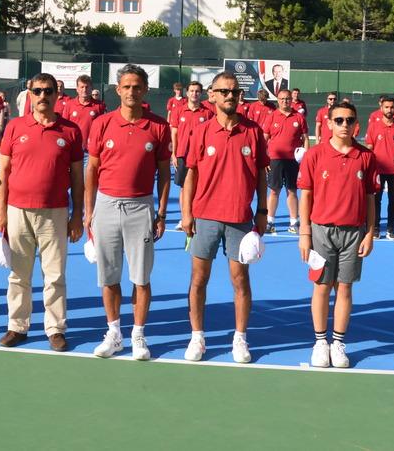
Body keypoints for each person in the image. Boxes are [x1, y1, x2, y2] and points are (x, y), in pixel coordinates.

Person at [180, 71, 269, 364]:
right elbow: (190, 175)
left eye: (234, 91)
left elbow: (261, 175)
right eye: (224, 91)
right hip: (204, 217)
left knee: (240, 279)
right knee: (198, 279)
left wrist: (262, 211)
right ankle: (197, 336)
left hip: (240, 218)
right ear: (212, 95)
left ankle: (240, 338)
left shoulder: (253, 131)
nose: (230, 96)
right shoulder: (201, 131)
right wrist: (186, 213)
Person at [85, 64, 171, 360]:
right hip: (106, 206)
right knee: (108, 276)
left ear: (145, 89)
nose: (132, 91)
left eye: (137, 86)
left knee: (141, 278)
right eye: (127, 86)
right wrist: (89, 212)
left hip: (141, 207)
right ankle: (114, 333)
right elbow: (92, 170)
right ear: (118, 90)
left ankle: (138, 335)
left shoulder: (159, 126)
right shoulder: (102, 123)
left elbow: (164, 173)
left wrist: (161, 213)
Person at [0, 73, 83, 350]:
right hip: (17, 210)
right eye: (38, 91)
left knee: (54, 275)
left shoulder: (70, 131)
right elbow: (4, 171)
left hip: (55, 212)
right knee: (19, 274)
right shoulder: (15, 127)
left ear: (57, 95)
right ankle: (17, 326)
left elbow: (77, 178)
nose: (43, 96)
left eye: (48, 91)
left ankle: (55, 328)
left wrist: (77, 215)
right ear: (30, 94)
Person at [297, 100, 377, 368]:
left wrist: (369, 233)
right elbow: (306, 196)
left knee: (345, 287)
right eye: (339, 120)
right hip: (321, 231)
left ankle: (338, 343)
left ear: (356, 125)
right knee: (322, 286)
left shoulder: (366, 157)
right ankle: (320, 342)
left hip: (354, 233)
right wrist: (305, 233)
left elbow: (370, 198)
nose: (345, 125)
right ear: (329, 123)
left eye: (350, 120)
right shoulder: (314, 155)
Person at [262, 89, 307, 234]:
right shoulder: (272, 116)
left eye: (287, 99)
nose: (285, 101)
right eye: (282, 99)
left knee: (292, 191)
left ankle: (294, 222)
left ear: (291, 100)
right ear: (278, 100)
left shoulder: (299, 117)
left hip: (292, 161)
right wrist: (265, 159)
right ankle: (270, 221)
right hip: (274, 160)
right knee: (274, 191)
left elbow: (305, 138)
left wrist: (305, 158)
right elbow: (264, 139)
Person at [170, 82, 214, 231]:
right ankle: (184, 217)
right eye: (192, 91)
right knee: (184, 187)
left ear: (201, 94)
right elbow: (174, 133)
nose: (194, 93)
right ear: (187, 93)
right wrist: (174, 153)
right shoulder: (179, 111)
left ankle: (196, 217)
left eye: (197, 91)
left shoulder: (207, 113)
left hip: (201, 156)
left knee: (199, 187)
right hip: (183, 154)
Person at [364, 95, 394, 240]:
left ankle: (390, 229)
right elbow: (369, 148)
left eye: (392, 107)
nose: (389, 110)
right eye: (386, 107)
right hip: (377, 170)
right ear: (381, 108)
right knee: (376, 200)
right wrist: (368, 167)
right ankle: (375, 229)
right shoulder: (374, 126)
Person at [63, 74, 106, 144]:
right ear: (77, 89)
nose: (84, 90)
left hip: (91, 146)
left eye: (87, 87)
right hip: (73, 146)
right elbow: (64, 126)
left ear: (91, 88)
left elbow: (103, 127)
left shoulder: (100, 105)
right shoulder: (69, 104)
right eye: (82, 87)